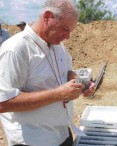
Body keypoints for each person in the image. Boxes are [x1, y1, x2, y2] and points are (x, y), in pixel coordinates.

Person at [0, 0, 95, 146]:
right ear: (47, 17)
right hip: (33, 141)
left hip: (62, 133)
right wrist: (58, 94)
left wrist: (81, 84)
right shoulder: (16, 49)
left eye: (70, 31)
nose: (68, 36)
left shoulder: (57, 45)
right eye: (64, 29)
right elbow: (4, 103)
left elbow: (68, 72)